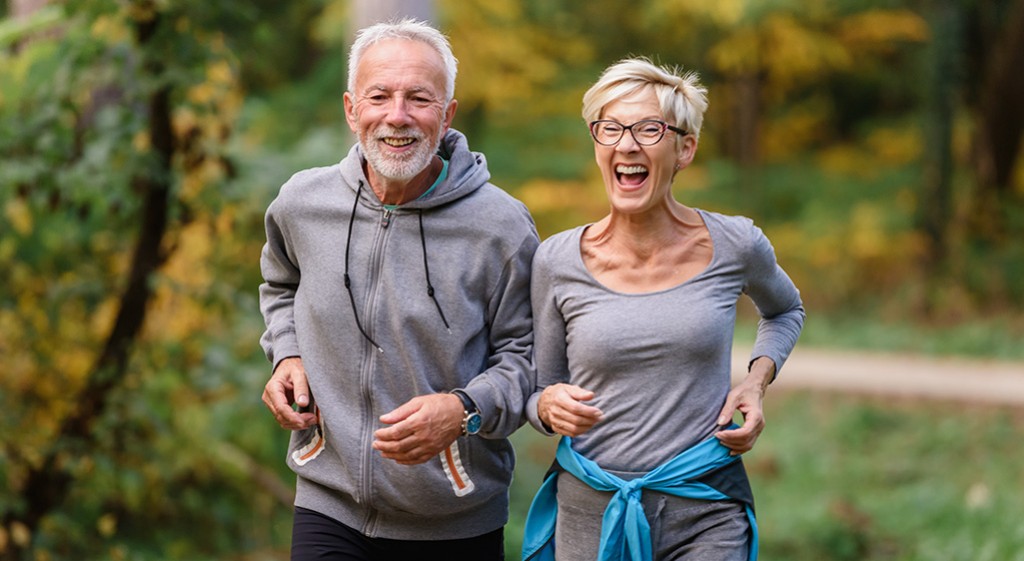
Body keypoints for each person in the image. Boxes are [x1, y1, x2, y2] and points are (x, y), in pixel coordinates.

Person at [258, 18, 539, 560]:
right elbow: (280, 282)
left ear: (448, 114)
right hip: (327, 502)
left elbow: (530, 358)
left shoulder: (500, 227)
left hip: (453, 519)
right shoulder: (302, 204)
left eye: (419, 98)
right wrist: (286, 353)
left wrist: (463, 410)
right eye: (379, 96)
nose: (397, 116)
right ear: (350, 109)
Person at [520, 58, 805, 561]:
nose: (627, 144)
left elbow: (784, 310)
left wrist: (755, 383)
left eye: (649, 129)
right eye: (610, 129)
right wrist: (545, 406)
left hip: (705, 508)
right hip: (591, 511)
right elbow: (541, 388)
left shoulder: (736, 244)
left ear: (684, 148)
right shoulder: (556, 260)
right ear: (598, 145)